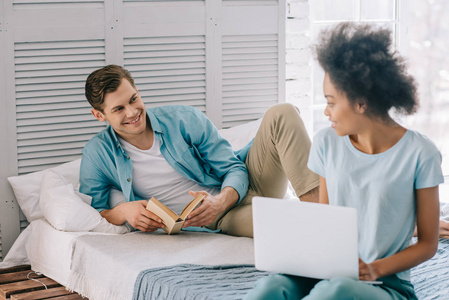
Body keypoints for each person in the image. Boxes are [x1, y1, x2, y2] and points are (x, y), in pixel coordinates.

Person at [245, 22, 444, 299]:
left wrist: (374, 269)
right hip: (329, 271)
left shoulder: (421, 153)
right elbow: (326, 221)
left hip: (387, 285)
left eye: (331, 102)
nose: (326, 112)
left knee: (334, 291)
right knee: (271, 288)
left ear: (361, 103)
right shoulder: (327, 143)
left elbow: (428, 244)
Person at [79, 64, 319, 237]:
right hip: (221, 218)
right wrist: (123, 211)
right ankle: (327, 230)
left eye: (133, 99)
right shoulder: (97, 154)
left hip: (248, 182)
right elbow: (94, 213)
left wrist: (222, 199)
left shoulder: (184, 119)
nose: (132, 112)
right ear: (99, 115)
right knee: (287, 223)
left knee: (283, 112)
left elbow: (233, 167)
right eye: (119, 109)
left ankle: (323, 214)